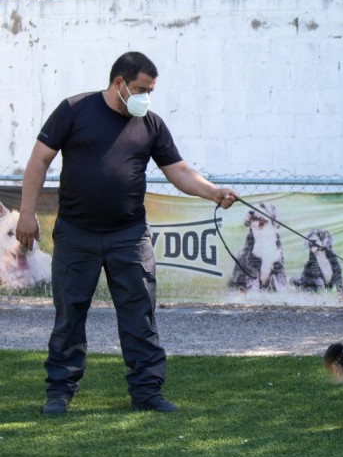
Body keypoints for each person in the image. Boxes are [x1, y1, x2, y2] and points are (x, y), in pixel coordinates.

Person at [15, 51, 238, 415]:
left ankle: (147, 393)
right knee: (69, 316)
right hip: (76, 235)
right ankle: (59, 392)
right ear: (118, 83)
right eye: (140, 89)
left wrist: (213, 191)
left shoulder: (151, 123)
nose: (145, 97)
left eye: (150, 90)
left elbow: (178, 170)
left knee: (140, 316)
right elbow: (39, 159)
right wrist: (27, 214)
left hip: (129, 236)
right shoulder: (74, 109)